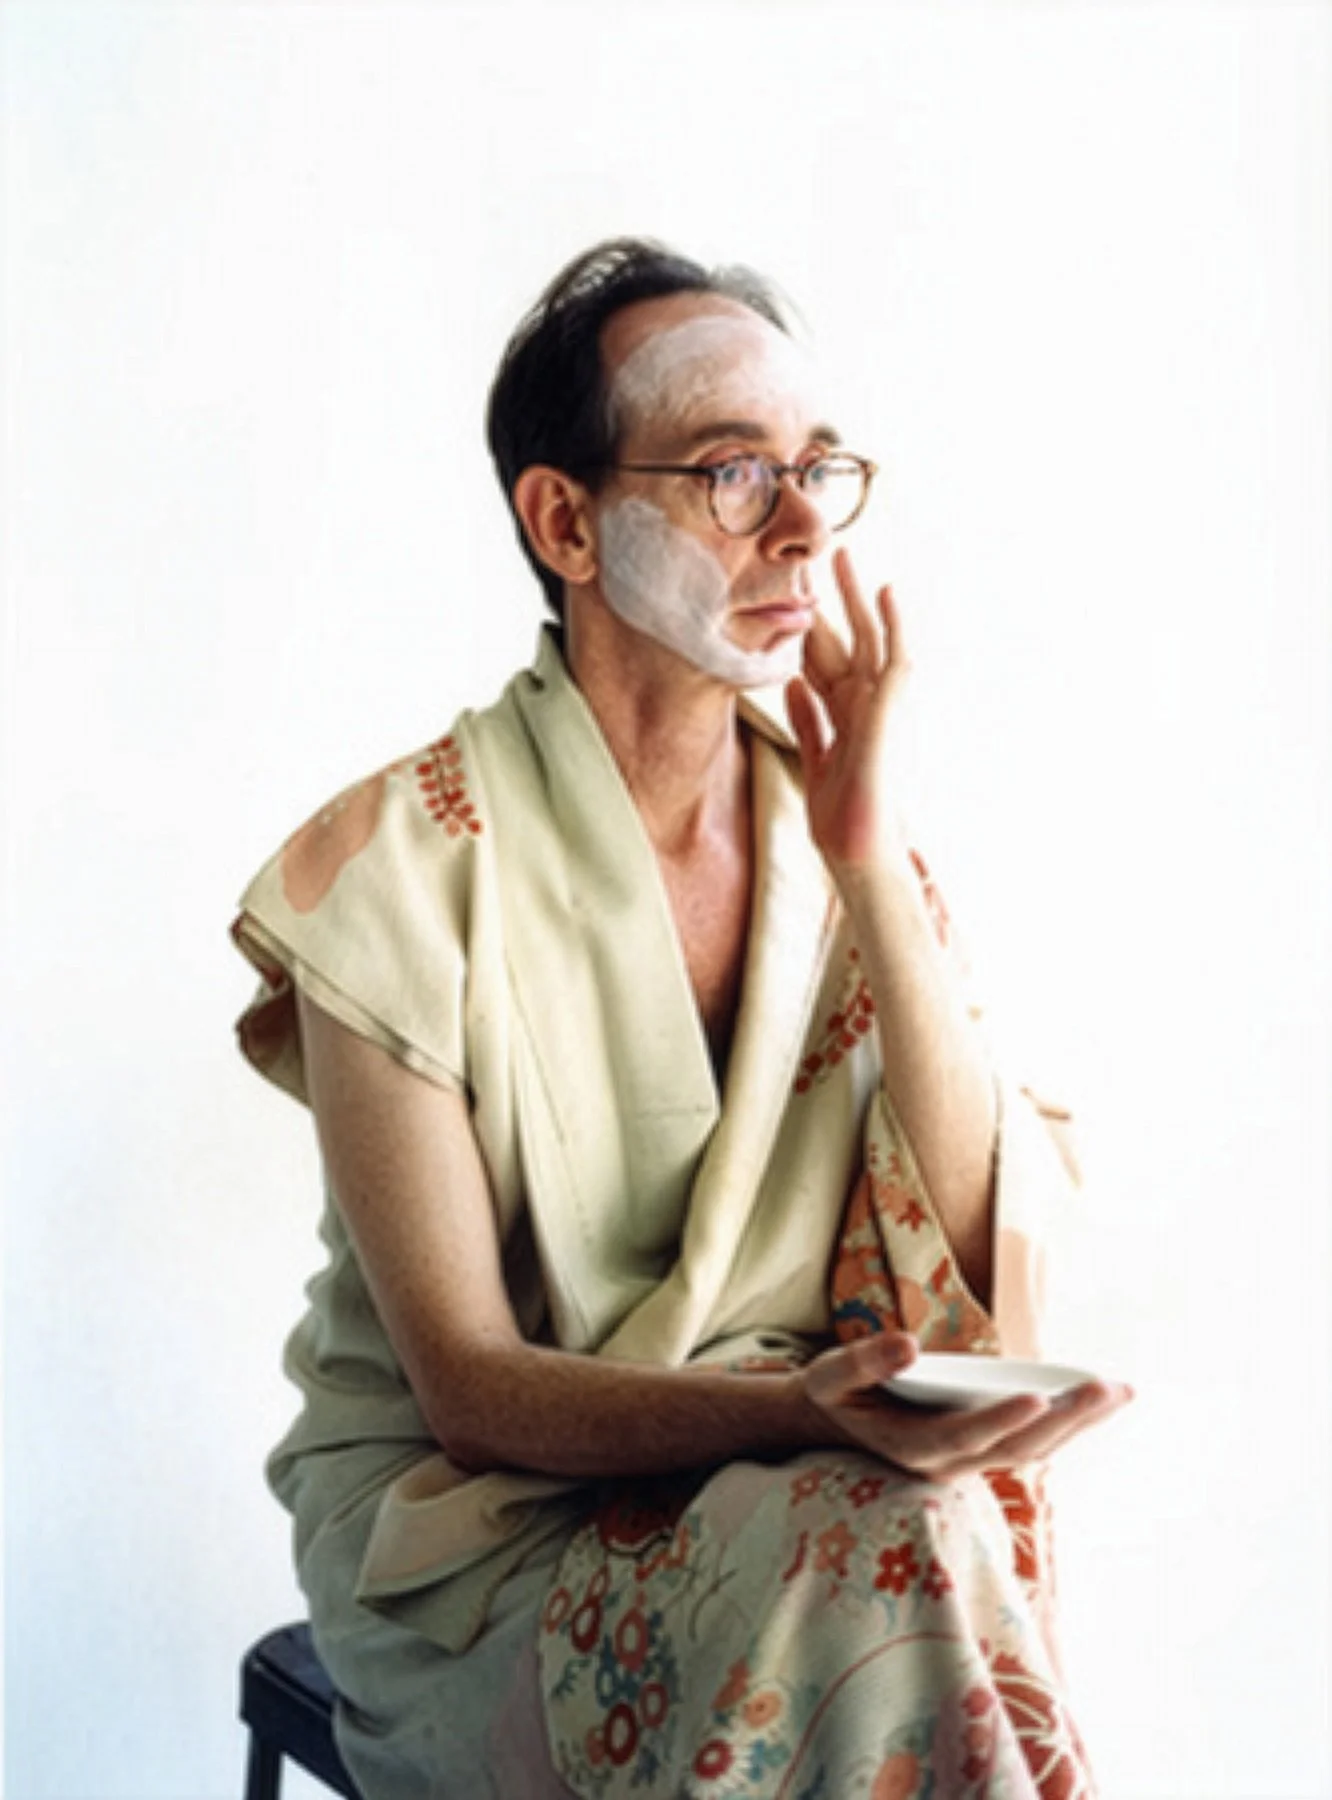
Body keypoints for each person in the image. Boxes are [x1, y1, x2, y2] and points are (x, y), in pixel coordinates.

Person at [232, 237, 1131, 1798]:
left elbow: (981, 1238)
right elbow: (469, 1383)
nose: (799, 529)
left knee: (906, 1529)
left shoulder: (838, 838)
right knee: (883, 1542)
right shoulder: (386, 870)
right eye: (732, 475)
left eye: (819, 471)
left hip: (802, 1494)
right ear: (565, 521)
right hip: (477, 1541)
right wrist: (795, 1414)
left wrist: (866, 855)